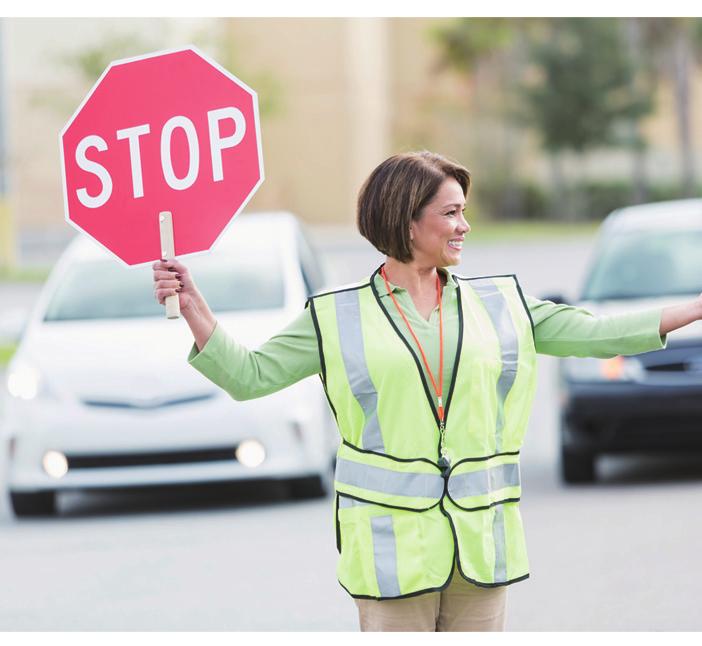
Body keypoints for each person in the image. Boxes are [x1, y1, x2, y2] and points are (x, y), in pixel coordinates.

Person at [152, 151, 702, 632]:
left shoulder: (500, 304)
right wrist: (195, 308)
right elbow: (250, 376)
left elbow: (596, 332)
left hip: (478, 546)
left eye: (464, 211)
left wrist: (695, 306)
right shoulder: (336, 316)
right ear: (407, 222)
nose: (464, 225)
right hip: (392, 554)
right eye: (451, 212)